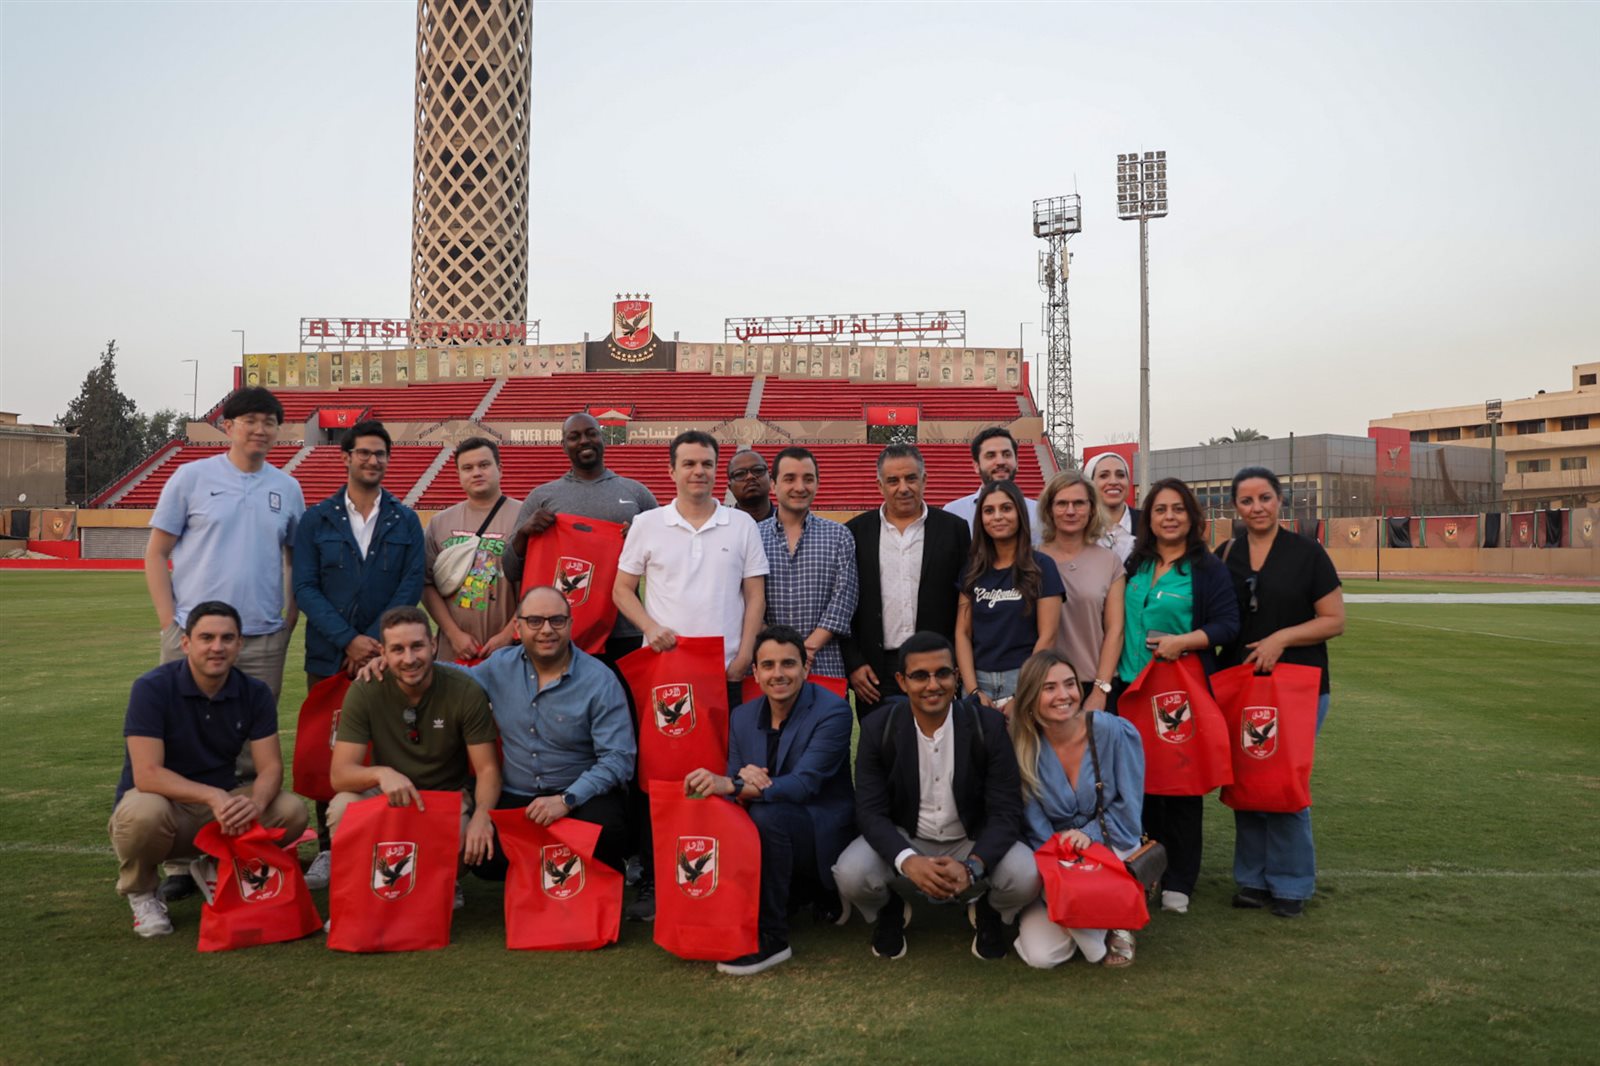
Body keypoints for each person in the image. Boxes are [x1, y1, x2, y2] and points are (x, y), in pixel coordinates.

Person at [143, 385, 303, 901]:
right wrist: (170, 624)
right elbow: (156, 552)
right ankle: (180, 862)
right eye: (250, 420)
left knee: (253, 751)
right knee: (184, 741)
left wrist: (288, 620)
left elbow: (294, 561)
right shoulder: (192, 477)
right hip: (194, 638)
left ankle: (239, 853)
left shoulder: (287, 488)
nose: (260, 429)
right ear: (228, 426)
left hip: (261, 637)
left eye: (269, 421)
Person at [613, 429, 768, 918]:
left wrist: (745, 652)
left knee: (726, 773)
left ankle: (726, 872)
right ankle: (656, 877)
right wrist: (649, 626)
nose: (698, 471)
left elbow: (755, 595)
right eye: (689, 464)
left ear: (716, 470)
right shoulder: (647, 524)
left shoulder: (740, 525)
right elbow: (621, 590)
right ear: (672, 471)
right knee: (661, 778)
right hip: (668, 677)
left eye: (706, 464)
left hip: (726, 674)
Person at [108, 601, 309, 937]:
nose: (217, 647)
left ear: (240, 644)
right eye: (207, 638)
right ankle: (142, 893)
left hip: (219, 810)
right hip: (165, 804)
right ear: (186, 643)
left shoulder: (254, 692)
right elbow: (147, 774)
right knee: (142, 814)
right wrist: (213, 796)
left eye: (227, 638)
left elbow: (271, 767)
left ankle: (219, 865)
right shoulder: (152, 688)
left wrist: (255, 804)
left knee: (290, 811)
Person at [832, 631, 1036, 962]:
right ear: (902, 681)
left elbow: (1006, 810)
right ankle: (889, 908)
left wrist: (972, 867)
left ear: (956, 677)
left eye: (942, 673)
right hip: (907, 836)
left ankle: (990, 909)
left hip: (970, 838)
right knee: (850, 874)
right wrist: (907, 860)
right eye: (920, 676)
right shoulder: (878, 727)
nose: (933, 685)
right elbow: (869, 812)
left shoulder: (988, 726)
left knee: (1026, 875)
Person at [294, 419, 426, 889]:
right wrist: (347, 640)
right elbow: (305, 587)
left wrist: (373, 643)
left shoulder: (405, 520)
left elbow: (410, 586)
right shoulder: (316, 519)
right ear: (346, 457)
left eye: (381, 454)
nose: (373, 460)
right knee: (328, 751)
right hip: (329, 658)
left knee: (394, 744)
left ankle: (394, 839)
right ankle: (329, 848)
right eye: (365, 452)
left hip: (390, 659)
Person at [684, 626, 855, 976]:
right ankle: (723, 913)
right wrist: (737, 781)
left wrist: (735, 784)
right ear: (756, 672)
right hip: (773, 826)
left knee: (767, 814)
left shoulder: (834, 711)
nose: (778, 674)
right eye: (768, 665)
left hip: (820, 832)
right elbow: (736, 782)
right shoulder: (743, 716)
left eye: (788, 664)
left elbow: (804, 785)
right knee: (734, 810)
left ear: (805, 668)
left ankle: (772, 938)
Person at [1217, 467, 1344, 918]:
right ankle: (1252, 880)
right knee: (1248, 781)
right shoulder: (1226, 554)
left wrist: (1281, 639)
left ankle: (1291, 883)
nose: (1257, 508)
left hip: (1299, 686)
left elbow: (1334, 620)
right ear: (1235, 507)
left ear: (1280, 500)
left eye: (1265, 498)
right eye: (1247, 500)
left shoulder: (1307, 553)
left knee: (1284, 781)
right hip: (1241, 685)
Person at [1114, 477, 1239, 915]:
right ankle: (1148, 869)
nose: (1169, 517)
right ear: (1149, 518)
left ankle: (1181, 879)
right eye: (1160, 509)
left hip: (1175, 695)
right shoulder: (1136, 563)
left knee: (1181, 787)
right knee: (1140, 787)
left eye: (1178, 509)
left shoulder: (1206, 568)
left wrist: (1183, 641)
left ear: (1191, 516)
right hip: (1129, 689)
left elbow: (1228, 625)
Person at [328, 607, 501, 910]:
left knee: (466, 839)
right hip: (387, 794)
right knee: (343, 807)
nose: (409, 659)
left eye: (417, 646)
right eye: (397, 649)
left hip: (445, 796)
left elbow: (488, 770)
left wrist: (481, 818)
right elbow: (340, 774)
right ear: (383, 653)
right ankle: (362, 893)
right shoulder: (365, 689)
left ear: (433, 645)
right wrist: (381, 774)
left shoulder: (463, 690)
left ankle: (442, 881)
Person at [460, 585, 637, 877]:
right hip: (518, 794)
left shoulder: (600, 680)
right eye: (535, 621)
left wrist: (567, 800)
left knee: (607, 831)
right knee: (486, 857)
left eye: (556, 620)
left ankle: (572, 870)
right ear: (517, 627)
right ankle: (544, 871)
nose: (546, 630)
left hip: (579, 795)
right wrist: (397, 665)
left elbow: (619, 759)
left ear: (570, 624)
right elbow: (455, 679)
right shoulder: (499, 667)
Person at [1009, 650, 1144, 968]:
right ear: (1031, 697)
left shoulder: (1114, 732)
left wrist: (1087, 835)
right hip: (1053, 850)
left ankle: (1101, 927)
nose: (1064, 695)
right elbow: (1033, 821)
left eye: (1070, 684)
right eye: (1049, 688)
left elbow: (1129, 810)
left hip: (1111, 841)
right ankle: (1099, 921)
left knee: (1078, 890)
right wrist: (1061, 852)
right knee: (1041, 957)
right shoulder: (1022, 745)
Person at [505, 412, 658, 667]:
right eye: (574, 437)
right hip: (560, 630)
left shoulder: (636, 493)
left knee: (622, 694)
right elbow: (510, 569)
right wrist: (524, 534)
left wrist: (640, 541)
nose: (584, 441)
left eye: (591, 433)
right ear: (563, 445)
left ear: (602, 438)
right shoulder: (542, 497)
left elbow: (666, 561)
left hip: (624, 629)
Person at [840, 444, 971, 718]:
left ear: (924, 479)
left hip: (937, 664)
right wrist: (854, 663)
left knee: (939, 742)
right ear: (880, 485)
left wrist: (956, 662)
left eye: (911, 478)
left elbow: (965, 603)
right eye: (893, 480)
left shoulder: (954, 530)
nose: (903, 488)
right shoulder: (855, 532)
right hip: (876, 672)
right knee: (882, 741)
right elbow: (844, 605)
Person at [956, 480, 1064, 706]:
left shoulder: (1042, 566)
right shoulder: (972, 569)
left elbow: (1048, 636)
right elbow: (963, 633)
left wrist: (1023, 694)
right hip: (978, 681)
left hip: (1024, 678)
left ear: (1020, 514)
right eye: (989, 511)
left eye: (1006, 508)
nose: (997, 517)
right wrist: (973, 690)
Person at [757, 446, 859, 680]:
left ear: (817, 483)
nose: (800, 487)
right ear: (773, 485)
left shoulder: (839, 536)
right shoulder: (753, 536)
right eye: (789, 479)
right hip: (769, 666)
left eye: (808, 479)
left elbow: (843, 601)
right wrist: (782, 651)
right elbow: (746, 601)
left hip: (824, 663)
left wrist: (808, 649)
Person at [421, 437, 522, 664]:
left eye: (484, 465)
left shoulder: (523, 516)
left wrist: (510, 633)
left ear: (500, 469)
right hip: (454, 649)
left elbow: (537, 583)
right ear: (458, 474)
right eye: (467, 468)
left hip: (510, 650)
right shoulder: (439, 523)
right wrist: (453, 634)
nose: (476, 473)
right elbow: (426, 584)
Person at [1036, 471, 1126, 713]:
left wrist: (1100, 690)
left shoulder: (1110, 561)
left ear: (1092, 508)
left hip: (1094, 683)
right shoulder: (1031, 560)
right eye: (1062, 503)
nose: (1070, 511)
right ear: (1049, 509)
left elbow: (1115, 631)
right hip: (1044, 683)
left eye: (1079, 503)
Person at [941, 427, 1040, 541]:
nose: (1000, 462)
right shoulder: (954, 512)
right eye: (991, 455)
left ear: (1017, 462)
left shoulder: (1039, 513)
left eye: (1007, 454)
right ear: (976, 466)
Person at [1086, 452, 1139, 563]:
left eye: (1120, 475)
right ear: (1090, 483)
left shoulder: (1148, 523)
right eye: (1103, 476)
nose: (1113, 482)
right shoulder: (1080, 528)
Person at [727, 448, 774, 524]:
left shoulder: (790, 523)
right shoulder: (721, 527)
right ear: (730, 487)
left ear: (770, 479)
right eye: (740, 474)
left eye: (758, 470)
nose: (750, 476)